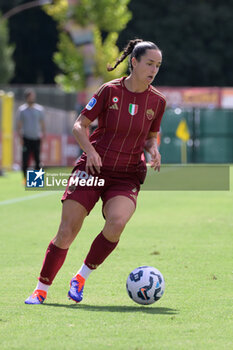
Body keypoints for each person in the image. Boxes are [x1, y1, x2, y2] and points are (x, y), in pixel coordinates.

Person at [25, 39, 166, 305]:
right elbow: (80, 125)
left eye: (158, 65)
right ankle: (40, 289)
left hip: (126, 174)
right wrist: (90, 151)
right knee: (67, 231)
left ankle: (80, 277)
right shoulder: (109, 91)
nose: (154, 70)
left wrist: (153, 150)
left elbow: (150, 137)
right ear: (133, 62)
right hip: (93, 168)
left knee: (117, 223)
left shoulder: (157, 101)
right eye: (149, 63)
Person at [16, 88, 46, 183]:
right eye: (30, 96)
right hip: (26, 138)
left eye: (33, 96)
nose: (32, 98)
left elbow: (42, 123)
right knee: (25, 160)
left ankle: (36, 181)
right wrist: (20, 138)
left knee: (37, 160)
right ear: (27, 97)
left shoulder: (39, 109)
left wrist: (44, 135)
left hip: (36, 138)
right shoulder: (22, 110)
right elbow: (19, 125)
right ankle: (25, 179)